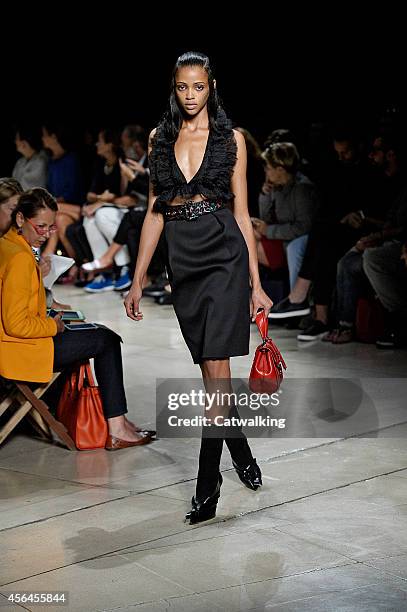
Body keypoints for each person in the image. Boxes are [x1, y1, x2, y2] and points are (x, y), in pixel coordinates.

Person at [124, 51, 272, 523]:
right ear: (174, 87)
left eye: (199, 87)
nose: (190, 96)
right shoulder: (159, 139)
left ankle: (207, 486)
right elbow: (154, 210)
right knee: (212, 375)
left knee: (217, 373)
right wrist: (137, 276)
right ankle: (242, 453)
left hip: (223, 250)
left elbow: (243, 214)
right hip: (183, 257)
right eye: (183, 88)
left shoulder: (231, 140)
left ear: (212, 85)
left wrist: (256, 282)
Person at [0, 188, 155, 449]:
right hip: (21, 351)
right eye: (41, 226)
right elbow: (16, 324)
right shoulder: (19, 259)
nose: (48, 234)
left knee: (98, 333)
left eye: (51, 227)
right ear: (19, 220)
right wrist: (54, 325)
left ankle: (119, 424)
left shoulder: (10, 246)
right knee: (106, 339)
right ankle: (117, 427)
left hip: (19, 345)